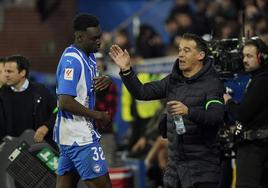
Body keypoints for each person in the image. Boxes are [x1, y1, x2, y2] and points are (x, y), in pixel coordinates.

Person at [109, 33, 225, 188]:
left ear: (200, 55)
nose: (181, 54)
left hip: (202, 168)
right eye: (180, 50)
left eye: (187, 50)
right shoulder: (173, 80)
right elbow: (142, 92)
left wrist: (188, 111)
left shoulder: (212, 84)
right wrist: (126, 70)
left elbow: (215, 116)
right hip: (174, 169)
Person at [53, 13, 112, 188]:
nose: (99, 42)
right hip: (80, 137)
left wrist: (105, 84)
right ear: (79, 37)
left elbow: (90, 95)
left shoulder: (90, 57)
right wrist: (98, 116)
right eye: (94, 38)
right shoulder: (72, 61)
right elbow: (65, 101)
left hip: (71, 135)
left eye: (100, 37)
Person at [224, 38, 268, 188]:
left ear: (261, 57)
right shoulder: (257, 78)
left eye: (249, 56)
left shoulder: (262, 80)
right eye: (243, 56)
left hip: (255, 148)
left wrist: (228, 102)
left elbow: (242, 114)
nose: (244, 60)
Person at [0, 55, 57, 144]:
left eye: (9, 71)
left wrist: (46, 127)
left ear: (22, 73)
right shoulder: (2, 94)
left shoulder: (40, 91)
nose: (6, 74)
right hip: (9, 151)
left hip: (38, 147)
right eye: (4, 71)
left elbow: (58, 110)